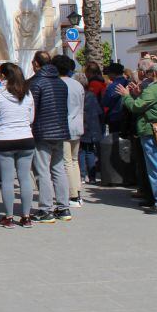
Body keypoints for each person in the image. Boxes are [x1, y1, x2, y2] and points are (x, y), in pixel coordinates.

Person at [116, 62, 157, 213]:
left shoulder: (153, 89)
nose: (147, 74)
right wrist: (139, 95)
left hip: (152, 129)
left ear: (155, 74)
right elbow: (150, 103)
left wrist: (126, 96)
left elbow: (136, 107)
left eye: (150, 71)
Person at [0, 63, 36, 228]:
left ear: (3, 76)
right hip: (26, 138)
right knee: (25, 178)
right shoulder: (27, 93)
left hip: (5, 139)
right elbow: (31, 119)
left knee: (7, 180)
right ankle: (26, 216)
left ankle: (8, 217)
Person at [28, 51, 72, 223]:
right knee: (58, 168)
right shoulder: (61, 83)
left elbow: (33, 109)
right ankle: (63, 207)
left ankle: (45, 209)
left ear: (36, 64)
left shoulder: (36, 83)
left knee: (42, 170)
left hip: (42, 130)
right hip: (60, 130)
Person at [54, 55, 85, 207]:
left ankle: (73, 195)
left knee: (66, 162)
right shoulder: (77, 84)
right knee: (74, 160)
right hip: (77, 125)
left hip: (65, 126)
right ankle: (78, 192)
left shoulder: (58, 84)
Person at [75, 73, 104, 184]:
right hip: (92, 126)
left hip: (82, 124)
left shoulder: (78, 95)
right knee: (90, 151)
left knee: (81, 151)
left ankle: (82, 175)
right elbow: (99, 111)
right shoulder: (91, 95)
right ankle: (92, 178)